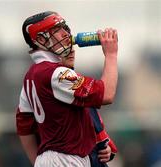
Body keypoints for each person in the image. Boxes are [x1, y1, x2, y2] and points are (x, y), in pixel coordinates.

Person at [16, 11, 118, 167]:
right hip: (66, 160)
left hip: (56, 160)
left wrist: (38, 162)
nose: (66, 34)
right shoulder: (56, 74)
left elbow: (24, 128)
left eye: (65, 28)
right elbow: (107, 94)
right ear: (40, 40)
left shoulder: (31, 76)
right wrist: (111, 55)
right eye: (57, 30)